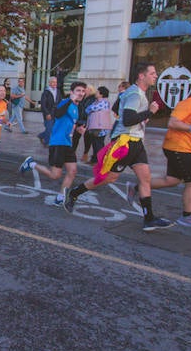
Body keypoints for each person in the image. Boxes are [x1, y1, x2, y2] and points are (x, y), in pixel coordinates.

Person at [61, 63, 173, 231]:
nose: (155, 76)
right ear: (141, 76)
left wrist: (142, 118)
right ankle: (74, 193)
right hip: (125, 143)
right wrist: (149, 112)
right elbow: (127, 119)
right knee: (109, 178)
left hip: (136, 142)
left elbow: (118, 110)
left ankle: (149, 219)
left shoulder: (133, 92)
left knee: (145, 179)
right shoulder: (135, 94)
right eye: (152, 73)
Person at [147, 77, 191, 229]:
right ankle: (187, 216)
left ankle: (139, 187)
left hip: (187, 147)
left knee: (172, 180)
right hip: (178, 147)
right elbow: (172, 122)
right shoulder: (187, 104)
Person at [19, 82, 86, 207]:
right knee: (55, 175)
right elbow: (58, 114)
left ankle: (60, 198)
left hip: (68, 143)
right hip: (58, 142)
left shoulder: (77, 107)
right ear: (71, 92)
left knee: (72, 171)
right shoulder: (65, 102)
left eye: (83, 91)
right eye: (78, 90)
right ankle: (31, 164)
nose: (81, 93)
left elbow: (70, 123)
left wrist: (78, 130)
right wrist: (69, 101)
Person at [84, 86, 113, 162]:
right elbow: (88, 109)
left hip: (100, 126)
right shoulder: (97, 101)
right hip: (95, 125)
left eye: (97, 92)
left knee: (98, 143)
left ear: (101, 94)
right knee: (95, 143)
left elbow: (91, 108)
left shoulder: (103, 102)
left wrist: (90, 108)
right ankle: (95, 159)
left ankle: (100, 160)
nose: (95, 93)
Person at [37, 76, 58, 146]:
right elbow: (43, 104)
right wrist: (47, 114)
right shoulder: (46, 92)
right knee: (49, 128)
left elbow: (60, 102)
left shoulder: (58, 91)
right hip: (48, 114)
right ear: (49, 83)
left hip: (56, 113)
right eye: (53, 82)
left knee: (53, 129)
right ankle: (47, 143)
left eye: (55, 82)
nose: (55, 84)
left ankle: (41, 135)